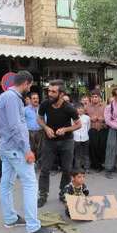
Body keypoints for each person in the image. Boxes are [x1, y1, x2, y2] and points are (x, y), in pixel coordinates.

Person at [0, 70, 54, 233]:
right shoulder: (13, 98)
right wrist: (27, 150)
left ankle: (10, 219)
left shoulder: (2, 97)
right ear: (26, 83)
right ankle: (33, 228)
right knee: (30, 184)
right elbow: (16, 127)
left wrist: (4, 141)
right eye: (30, 85)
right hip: (16, 149)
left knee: (6, 184)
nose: (29, 88)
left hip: (5, 147)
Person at [37, 80, 81, 208]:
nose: (49, 94)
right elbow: (39, 118)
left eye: (53, 92)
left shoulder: (69, 108)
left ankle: (63, 193)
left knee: (67, 170)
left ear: (61, 94)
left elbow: (79, 124)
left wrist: (65, 129)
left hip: (67, 142)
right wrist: (46, 128)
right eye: (49, 91)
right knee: (45, 169)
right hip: (49, 141)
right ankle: (43, 195)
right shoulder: (45, 104)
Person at [85, 90, 108, 172]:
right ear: (91, 98)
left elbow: (110, 117)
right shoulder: (87, 107)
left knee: (102, 147)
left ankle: (101, 163)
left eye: (96, 97)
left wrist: (103, 119)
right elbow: (83, 116)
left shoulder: (105, 106)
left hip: (103, 129)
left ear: (99, 98)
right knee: (93, 147)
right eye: (93, 97)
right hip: (92, 129)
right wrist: (90, 118)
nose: (94, 98)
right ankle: (95, 165)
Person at [24, 92, 43, 170]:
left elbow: (46, 119)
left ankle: (40, 164)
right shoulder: (25, 109)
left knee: (41, 149)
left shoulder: (42, 108)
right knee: (31, 148)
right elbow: (22, 121)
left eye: (37, 98)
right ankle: (31, 165)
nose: (36, 100)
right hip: (29, 132)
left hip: (41, 131)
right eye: (34, 98)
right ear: (30, 100)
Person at [73, 103, 90, 173]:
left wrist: (85, 133)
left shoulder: (87, 117)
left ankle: (86, 167)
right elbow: (72, 127)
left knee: (85, 154)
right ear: (76, 110)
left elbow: (88, 127)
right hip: (76, 138)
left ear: (84, 109)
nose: (80, 110)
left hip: (85, 138)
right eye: (78, 108)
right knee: (77, 154)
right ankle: (78, 168)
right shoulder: (73, 118)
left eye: (81, 108)